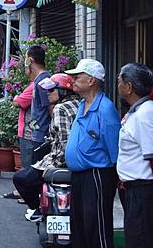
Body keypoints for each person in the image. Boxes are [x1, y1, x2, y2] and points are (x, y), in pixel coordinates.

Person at [64, 59, 120, 248]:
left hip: (97, 175)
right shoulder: (82, 104)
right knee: (79, 226)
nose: (73, 80)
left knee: (95, 227)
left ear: (91, 81)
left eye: (78, 76)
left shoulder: (105, 108)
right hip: (80, 175)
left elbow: (114, 149)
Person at [13, 74, 80, 222]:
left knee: (20, 178)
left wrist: (53, 166)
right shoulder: (78, 104)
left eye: (51, 91)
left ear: (63, 91)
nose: (48, 94)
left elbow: (64, 142)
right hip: (77, 160)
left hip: (59, 162)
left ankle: (36, 209)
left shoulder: (60, 108)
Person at [116, 63, 153, 248]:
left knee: (140, 239)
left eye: (119, 80)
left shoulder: (145, 114)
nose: (117, 85)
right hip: (133, 190)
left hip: (143, 191)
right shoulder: (136, 112)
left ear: (129, 87)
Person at [25, 46, 51, 164]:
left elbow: (50, 107)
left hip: (42, 136)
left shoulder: (44, 80)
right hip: (38, 134)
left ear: (30, 60)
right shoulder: (38, 79)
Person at [13, 82, 34, 168]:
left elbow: (18, 102)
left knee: (27, 167)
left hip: (28, 133)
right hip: (35, 132)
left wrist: (17, 97)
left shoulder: (35, 85)